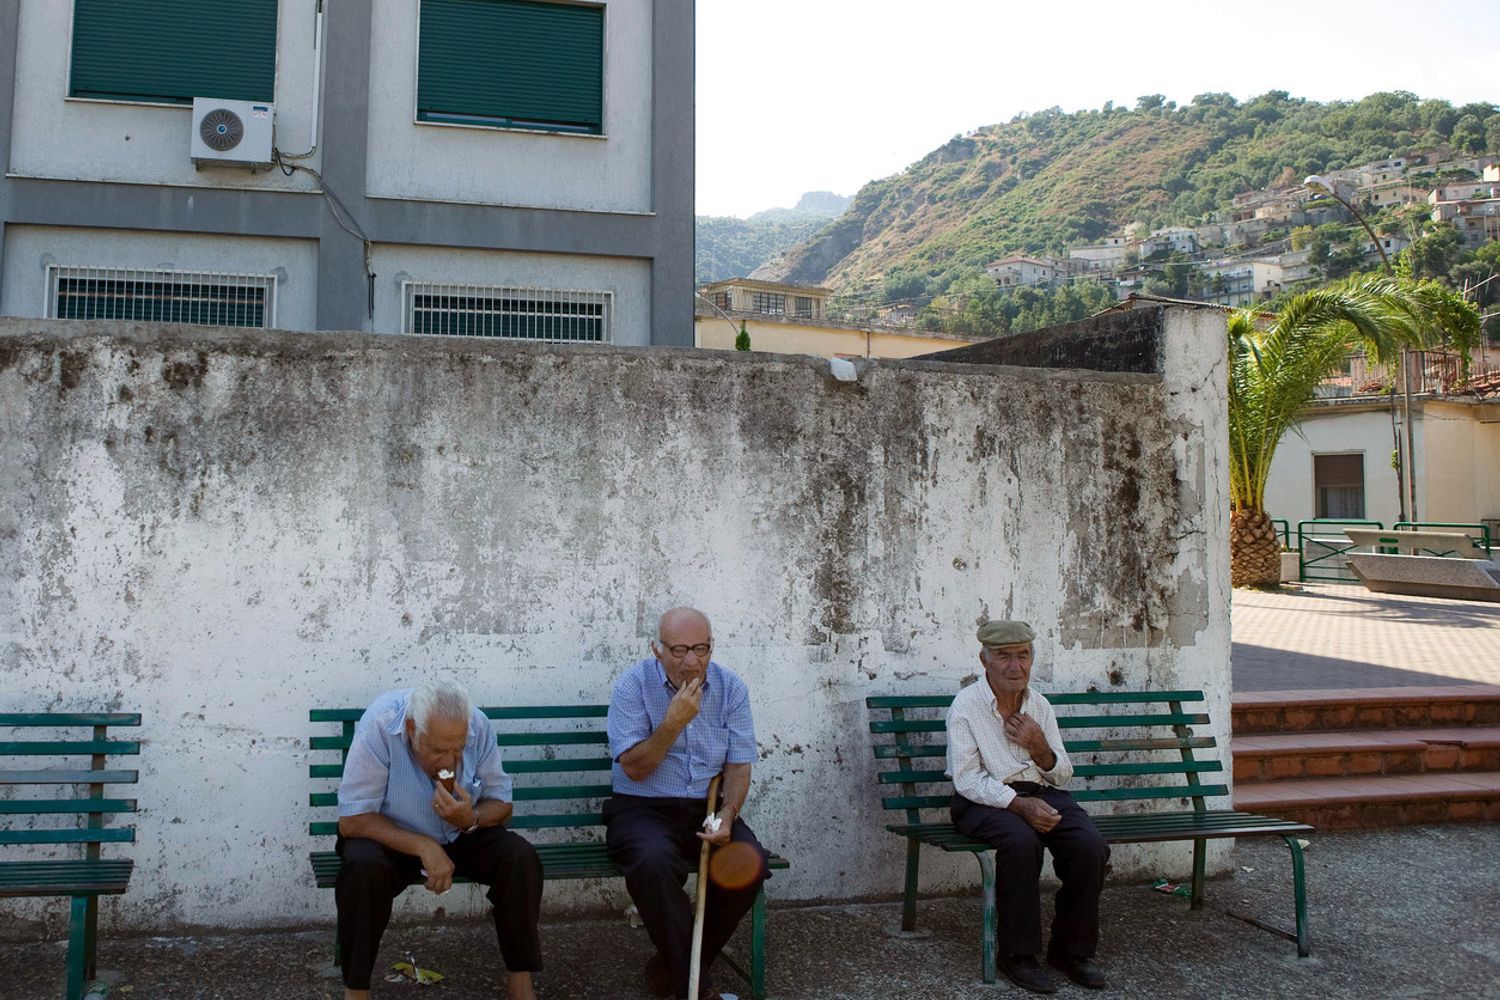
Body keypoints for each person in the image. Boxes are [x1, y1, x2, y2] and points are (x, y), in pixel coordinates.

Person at [335, 678, 542, 1000]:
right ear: (411, 727)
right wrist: (424, 846)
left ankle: (521, 982)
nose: (448, 761)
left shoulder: (477, 725)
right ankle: (356, 990)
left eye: (457, 749)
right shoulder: (380, 726)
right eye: (437, 749)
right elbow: (353, 821)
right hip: (392, 839)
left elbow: (502, 805)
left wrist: (470, 818)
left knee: (519, 857)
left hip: (461, 834)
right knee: (362, 868)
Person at [605, 607, 770, 1000]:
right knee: (653, 862)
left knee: (751, 864)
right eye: (679, 650)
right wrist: (674, 722)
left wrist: (728, 816)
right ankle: (695, 985)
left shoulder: (731, 688)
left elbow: (737, 766)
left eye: (701, 648)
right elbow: (635, 768)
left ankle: (673, 967)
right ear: (657, 649)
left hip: (708, 807)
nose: (692, 661)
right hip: (642, 808)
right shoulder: (632, 686)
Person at [946, 620, 1109, 994]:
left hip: (1040, 792)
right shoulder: (966, 707)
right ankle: (1018, 955)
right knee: (1021, 843)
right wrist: (1019, 805)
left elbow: (1062, 775)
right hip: (982, 800)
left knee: (1090, 847)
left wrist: (1040, 749)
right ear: (984, 660)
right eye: (1004, 657)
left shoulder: (1039, 704)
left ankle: (1070, 952)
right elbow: (967, 780)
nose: (1015, 666)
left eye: (1023, 656)